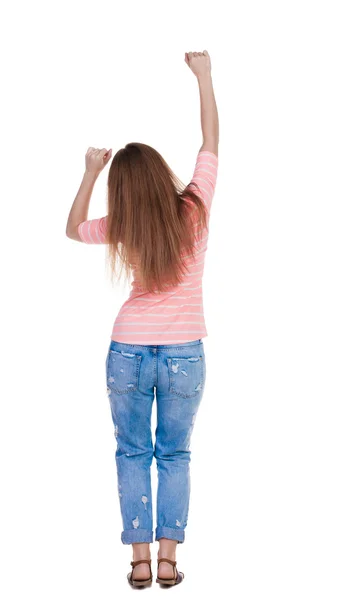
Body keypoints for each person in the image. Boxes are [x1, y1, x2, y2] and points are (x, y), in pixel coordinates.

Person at [65, 50, 219, 588]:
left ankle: (138, 562)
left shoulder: (120, 224)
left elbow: (72, 227)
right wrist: (203, 76)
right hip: (184, 355)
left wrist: (89, 173)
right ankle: (169, 560)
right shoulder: (195, 208)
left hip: (127, 351)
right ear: (160, 175)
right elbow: (210, 144)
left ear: (123, 191)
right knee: (173, 452)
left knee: (132, 452)